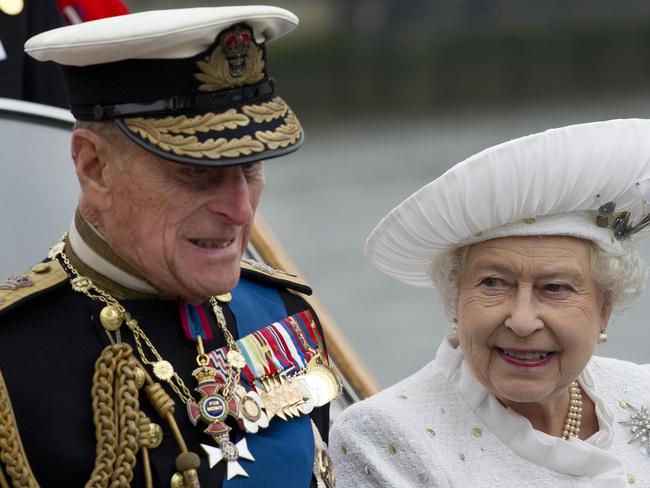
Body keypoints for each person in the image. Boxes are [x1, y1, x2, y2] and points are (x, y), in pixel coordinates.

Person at [0, 6, 339, 487]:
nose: (240, 210)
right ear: (95, 168)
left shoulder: (282, 311)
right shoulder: (13, 360)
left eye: (250, 169)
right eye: (199, 174)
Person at [330, 119, 650, 487]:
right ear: (455, 296)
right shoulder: (385, 437)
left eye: (556, 288)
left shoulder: (642, 390)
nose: (523, 320)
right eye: (494, 283)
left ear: (604, 308)